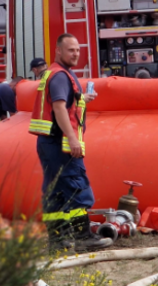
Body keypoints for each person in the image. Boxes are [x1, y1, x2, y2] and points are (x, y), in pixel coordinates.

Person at [28, 33, 111, 252]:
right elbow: (58, 107)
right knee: (77, 186)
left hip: (48, 143)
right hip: (60, 144)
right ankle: (83, 238)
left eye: (77, 50)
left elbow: (64, 104)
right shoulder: (61, 76)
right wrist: (73, 138)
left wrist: (83, 99)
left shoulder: (54, 73)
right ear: (58, 51)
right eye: (70, 50)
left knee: (55, 191)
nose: (75, 54)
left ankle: (58, 241)